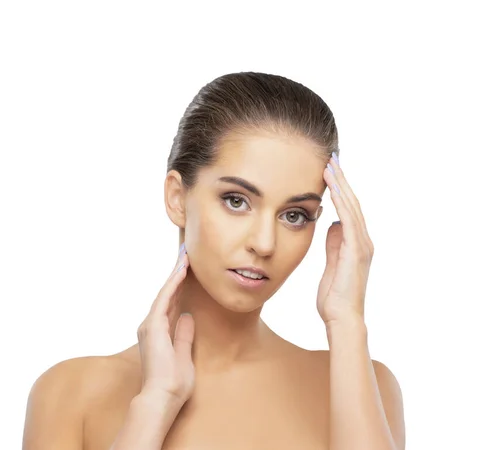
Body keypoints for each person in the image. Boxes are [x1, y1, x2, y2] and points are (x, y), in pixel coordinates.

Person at [22, 71, 405, 450]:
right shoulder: (71, 394)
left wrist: (346, 322)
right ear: (177, 198)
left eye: (295, 215)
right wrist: (154, 406)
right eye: (236, 201)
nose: (264, 243)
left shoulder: (361, 385)